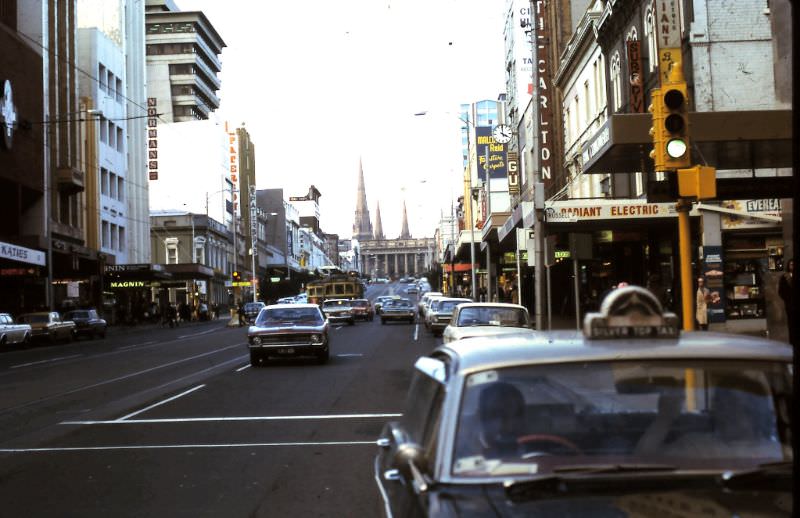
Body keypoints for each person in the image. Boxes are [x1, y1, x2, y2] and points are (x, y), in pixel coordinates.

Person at [478, 382, 526, 458]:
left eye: (514, 414)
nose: (503, 422)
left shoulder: (533, 451)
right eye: (496, 414)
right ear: (482, 416)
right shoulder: (461, 454)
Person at [778, 259, 794, 344]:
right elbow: (781, 291)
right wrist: (788, 300)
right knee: (791, 325)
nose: (792, 266)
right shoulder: (784, 277)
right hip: (790, 305)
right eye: (791, 264)